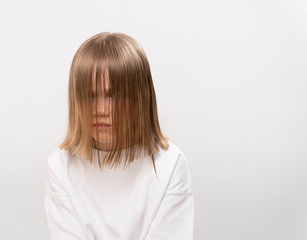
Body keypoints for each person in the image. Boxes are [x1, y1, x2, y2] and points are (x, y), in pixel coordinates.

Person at [44, 32, 195, 240]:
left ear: (139, 98)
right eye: (90, 96)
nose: (100, 109)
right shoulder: (60, 166)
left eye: (112, 95)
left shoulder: (170, 165)